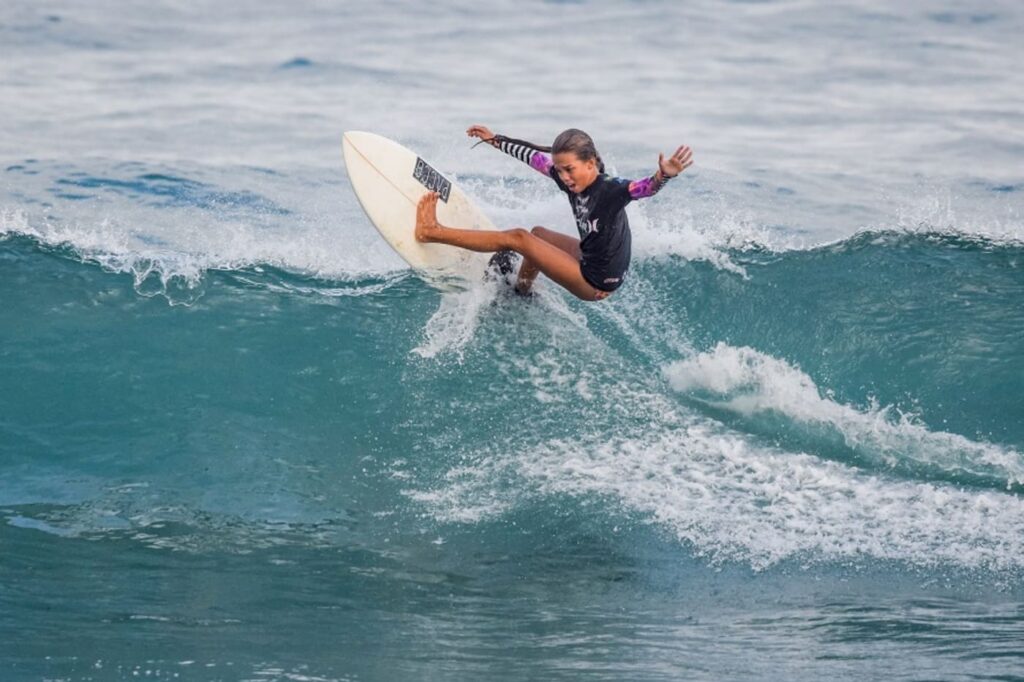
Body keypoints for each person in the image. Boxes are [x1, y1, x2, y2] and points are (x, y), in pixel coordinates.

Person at [415, 125, 692, 301]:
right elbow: (533, 157)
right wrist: (495, 140)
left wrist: (663, 176)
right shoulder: (568, 178)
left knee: (520, 239)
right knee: (538, 236)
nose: (564, 177)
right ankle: (520, 293)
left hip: (595, 281)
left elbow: (643, 188)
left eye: (569, 169)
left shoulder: (610, 190)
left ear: (591, 163)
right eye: (559, 170)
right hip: (591, 257)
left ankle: (432, 232)